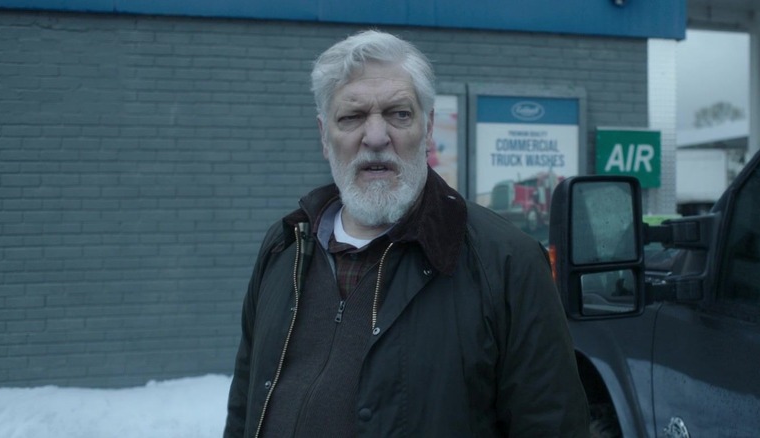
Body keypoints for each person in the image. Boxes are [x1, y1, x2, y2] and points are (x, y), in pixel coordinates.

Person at [224, 30, 590, 437]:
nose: (377, 137)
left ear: (429, 127)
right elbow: (244, 408)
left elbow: (552, 425)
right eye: (352, 117)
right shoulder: (285, 247)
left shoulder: (507, 264)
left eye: (399, 114)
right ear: (325, 136)